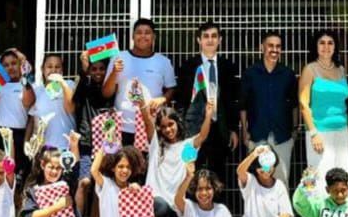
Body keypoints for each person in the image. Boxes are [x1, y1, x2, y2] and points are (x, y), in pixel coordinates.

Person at [144, 102, 213, 217]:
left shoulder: (187, 147)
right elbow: (146, 121)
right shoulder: (156, 146)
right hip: (156, 202)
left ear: (177, 123)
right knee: (162, 207)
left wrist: (207, 115)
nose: (168, 129)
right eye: (163, 126)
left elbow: (203, 136)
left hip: (177, 205)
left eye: (171, 124)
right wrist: (142, 105)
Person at [176, 21, 241, 204]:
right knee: (191, 173)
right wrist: (182, 129)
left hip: (219, 129)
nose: (210, 40)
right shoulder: (189, 66)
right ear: (199, 40)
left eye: (214, 36)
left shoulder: (228, 66)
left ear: (219, 40)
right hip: (194, 130)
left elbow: (232, 101)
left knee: (218, 174)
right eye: (206, 36)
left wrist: (233, 128)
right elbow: (181, 101)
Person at [103, 18, 176, 145]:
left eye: (147, 32)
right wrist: (114, 72)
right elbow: (106, 94)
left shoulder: (163, 62)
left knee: (150, 164)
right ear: (132, 36)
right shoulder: (119, 58)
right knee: (122, 164)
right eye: (139, 32)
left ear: (154, 36)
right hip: (121, 127)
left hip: (152, 126)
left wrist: (163, 99)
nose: (143, 36)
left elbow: (171, 89)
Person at [240, 31, 298, 184]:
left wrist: (294, 130)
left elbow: (294, 105)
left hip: (283, 137)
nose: (274, 50)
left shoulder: (288, 74)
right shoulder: (250, 74)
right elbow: (243, 105)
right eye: (270, 46)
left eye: (278, 46)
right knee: (256, 182)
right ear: (262, 47)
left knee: (282, 181)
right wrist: (245, 132)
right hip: (257, 135)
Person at [298, 30, 348, 192]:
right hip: (320, 133)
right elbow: (303, 103)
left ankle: (339, 215)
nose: (326, 47)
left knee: (342, 178)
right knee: (321, 181)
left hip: (342, 132)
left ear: (335, 47)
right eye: (322, 43)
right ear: (316, 46)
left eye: (330, 43)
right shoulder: (310, 69)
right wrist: (314, 133)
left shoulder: (341, 70)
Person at [0, 48, 36, 181]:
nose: (10, 67)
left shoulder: (27, 85)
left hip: (17, 137)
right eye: (6, 65)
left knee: (14, 178)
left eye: (14, 63)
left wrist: (25, 80)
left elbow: (29, 102)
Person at [73, 48, 111, 217]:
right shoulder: (84, 87)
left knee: (100, 184)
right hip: (87, 142)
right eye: (94, 69)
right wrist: (83, 68)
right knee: (84, 183)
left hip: (106, 143)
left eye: (101, 68)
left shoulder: (112, 89)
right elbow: (76, 97)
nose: (97, 72)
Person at [27, 54, 76, 154]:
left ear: (62, 70)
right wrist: (26, 141)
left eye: (57, 67)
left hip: (66, 147)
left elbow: (70, 108)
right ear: (43, 69)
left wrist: (62, 82)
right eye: (49, 66)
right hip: (43, 150)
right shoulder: (36, 90)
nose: (53, 70)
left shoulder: (69, 85)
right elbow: (32, 120)